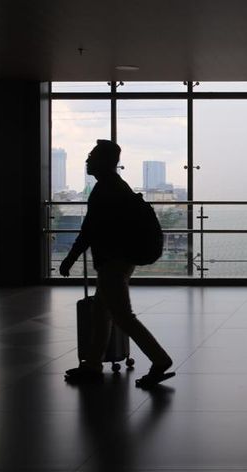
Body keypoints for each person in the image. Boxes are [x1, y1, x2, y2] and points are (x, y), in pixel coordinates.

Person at [60, 140, 175, 388]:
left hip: (113, 262)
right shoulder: (116, 187)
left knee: (123, 317)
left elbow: (88, 230)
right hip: (119, 260)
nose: (87, 160)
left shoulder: (105, 190)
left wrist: (69, 259)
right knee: (101, 313)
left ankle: (160, 360)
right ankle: (92, 364)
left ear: (103, 161)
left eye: (91, 156)